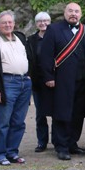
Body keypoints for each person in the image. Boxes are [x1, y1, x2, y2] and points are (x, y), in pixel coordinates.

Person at [41, 2, 85, 161]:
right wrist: (49, 77)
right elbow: (45, 55)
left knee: (78, 114)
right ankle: (61, 146)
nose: (73, 14)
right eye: (70, 11)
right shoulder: (53, 29)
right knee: (62, 113)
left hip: (83, 80)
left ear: (81, 14)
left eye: (77, 11)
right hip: (62, 80)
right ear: (65, 13)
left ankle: (72, 143)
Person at [0, 10, 32, 165]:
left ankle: (12, 152)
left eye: (10, 22)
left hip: (24, 82)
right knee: (2, 121)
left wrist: (30, 75)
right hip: (6, 83)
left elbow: (29, 57)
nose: (7, 25)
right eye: (4, 22)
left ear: (14, 24)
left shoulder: (21, 38)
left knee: (18, 122)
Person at [28, 11, 51, 153]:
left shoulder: (55, 37)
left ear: (50, 22)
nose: (43, 23)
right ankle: (42, 142)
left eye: (45, 20)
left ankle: (58, 140)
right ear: (36, 24)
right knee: (40, 114)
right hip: (37, 82)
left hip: (54, 81)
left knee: (57, 112)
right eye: (39, 21)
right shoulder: (31, 40)